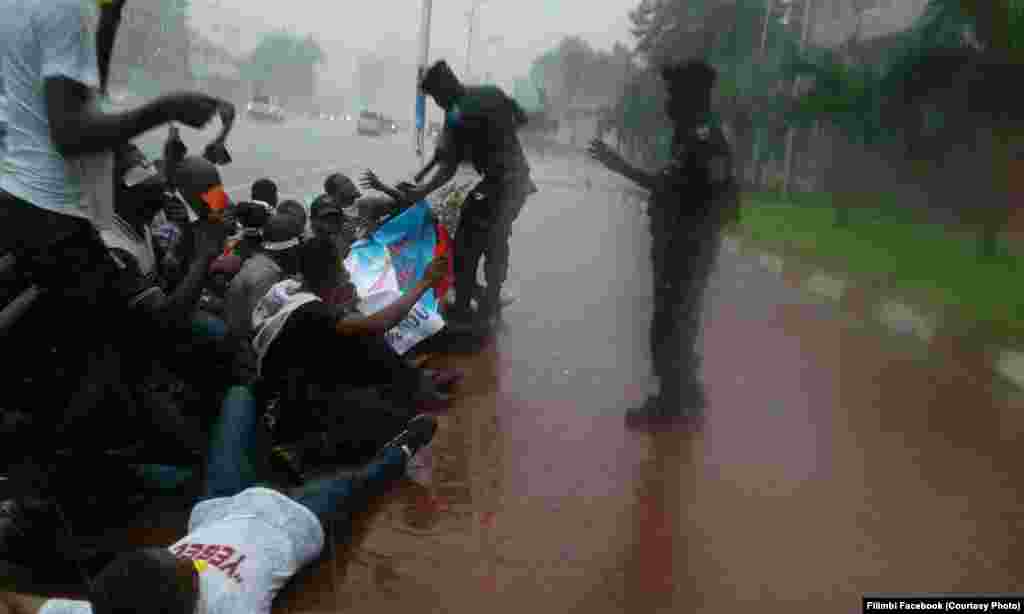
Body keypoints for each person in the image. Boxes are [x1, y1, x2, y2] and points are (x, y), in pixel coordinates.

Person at [0, 392, 438, 614]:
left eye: (178, 555)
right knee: (362, 483)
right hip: (293, 520)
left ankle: (276, 428)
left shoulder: (99, 609)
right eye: (189, 573)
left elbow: (30, 605)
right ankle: (401, 451)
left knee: (238, 400)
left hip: (216, 507)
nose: (194, 562)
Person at [0, 0, 223, 315]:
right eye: (141, 168)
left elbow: (84, 102)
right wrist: (166, 108)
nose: (155, 173)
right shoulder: (111, 247)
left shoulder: (140, 225)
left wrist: (110, 14)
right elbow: (162, 329)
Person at [587, 59, 739, 429]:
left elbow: (668, 186)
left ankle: (671, 406)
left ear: (691, 97)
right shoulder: (696, 134)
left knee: (668, 326)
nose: (667, 102)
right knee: (680, 321)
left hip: (685, 251)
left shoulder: (701, 139)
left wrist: (617, 164)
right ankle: (686, 393)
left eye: (673, 94)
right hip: (686, 247)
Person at [251, 236, 450, 457]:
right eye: (340, 266)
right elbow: (378, 324)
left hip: (301, 385)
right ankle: (414, 389)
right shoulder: (310, 311)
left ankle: (414, 383)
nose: (345, 273)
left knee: (362, 337)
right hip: (291, 406)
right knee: (368, 342)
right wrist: (425, 282)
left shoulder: (290, 292)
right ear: (329, 272)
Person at [384, 60, 537, 332]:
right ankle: (490, 297)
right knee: (496, 237)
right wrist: (486, 136)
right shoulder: (491, 92)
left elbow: (448, 169)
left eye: (435, 96)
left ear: (443, 90)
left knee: (467, 241)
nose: (437, 102)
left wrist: (421, 190)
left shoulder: (456, 114)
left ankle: (464, 306)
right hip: (519, 182)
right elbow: (521, 119)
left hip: (498, 185)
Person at [223, 214, 306, 383]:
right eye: (297, 249)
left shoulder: (262, 263)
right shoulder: (266, 275)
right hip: (247, 357)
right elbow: (263, 329)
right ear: (287, 250)